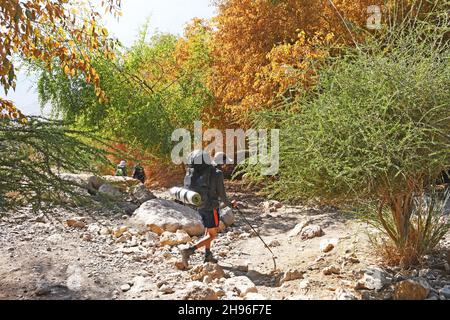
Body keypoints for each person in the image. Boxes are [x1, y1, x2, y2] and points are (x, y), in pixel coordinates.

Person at [180, 150, 237, 268]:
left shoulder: (201, 172)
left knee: (208, 231)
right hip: (211, 208)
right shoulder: (217, 173)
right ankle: (189, 251)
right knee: (212, 235)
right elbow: (222, 195)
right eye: (226, 163)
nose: (227, 165)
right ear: (222, 163)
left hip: (200, 205)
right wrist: (231, 204)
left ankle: (208, 255)